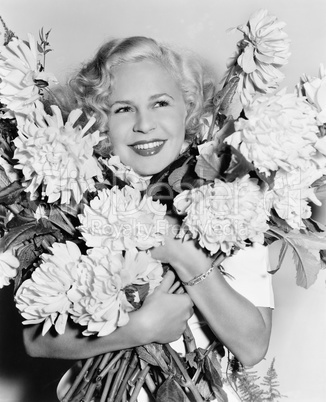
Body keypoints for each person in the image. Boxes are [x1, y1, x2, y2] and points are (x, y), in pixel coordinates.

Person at [22, 36, 274, 397]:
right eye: (123, 109)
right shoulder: (69, 202)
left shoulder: (230, 199)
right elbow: (36, 341)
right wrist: (142, 328)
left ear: (187, 109)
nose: (144, 124)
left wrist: (180, 252)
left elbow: (252, 347)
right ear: (98, 119)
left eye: (160, 103)